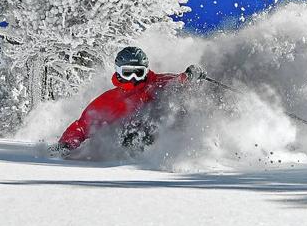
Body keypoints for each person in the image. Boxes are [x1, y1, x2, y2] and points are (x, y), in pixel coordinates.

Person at [50, 46, 206, 156]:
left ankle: (196, 145)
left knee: (170, 103)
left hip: (165, 135)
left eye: (138, 73)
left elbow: (177, 81)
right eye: (127, 73)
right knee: (128, 129)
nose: (133, 78)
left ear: (145, 71)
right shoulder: (110, 99)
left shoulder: (158, 82)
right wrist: (66, 143)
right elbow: (83, 125)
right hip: (131, 143)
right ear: (118, 72)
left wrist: (191, 75)